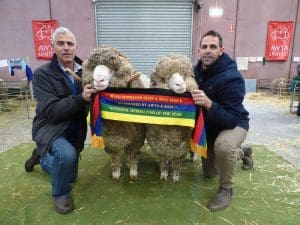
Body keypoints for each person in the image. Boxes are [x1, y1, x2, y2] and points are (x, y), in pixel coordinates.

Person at [24, 27, 96, 214]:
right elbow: (51, 112)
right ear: (53, 47)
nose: (66, 48)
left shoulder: (87, 72)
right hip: (50, 127)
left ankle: (41, 157)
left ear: (76, 47)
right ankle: (60, 194)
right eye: (61, 43)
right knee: (67, 156)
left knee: (70, 174)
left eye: (70, 44)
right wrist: (81, 98)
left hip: (73, 129)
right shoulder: (42, 75)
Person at [191, 30, 253, 211]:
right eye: (204, 47)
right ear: (199, 50)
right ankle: (243, 152)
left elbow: (231, 119)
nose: (208, 51)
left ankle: (226, 189)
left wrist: (209, 103)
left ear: (221, 50)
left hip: (234, 123)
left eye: (213, 47)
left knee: (224, 146)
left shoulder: (232, 78)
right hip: (211, 125)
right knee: (210, 173)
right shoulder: (195, 72)